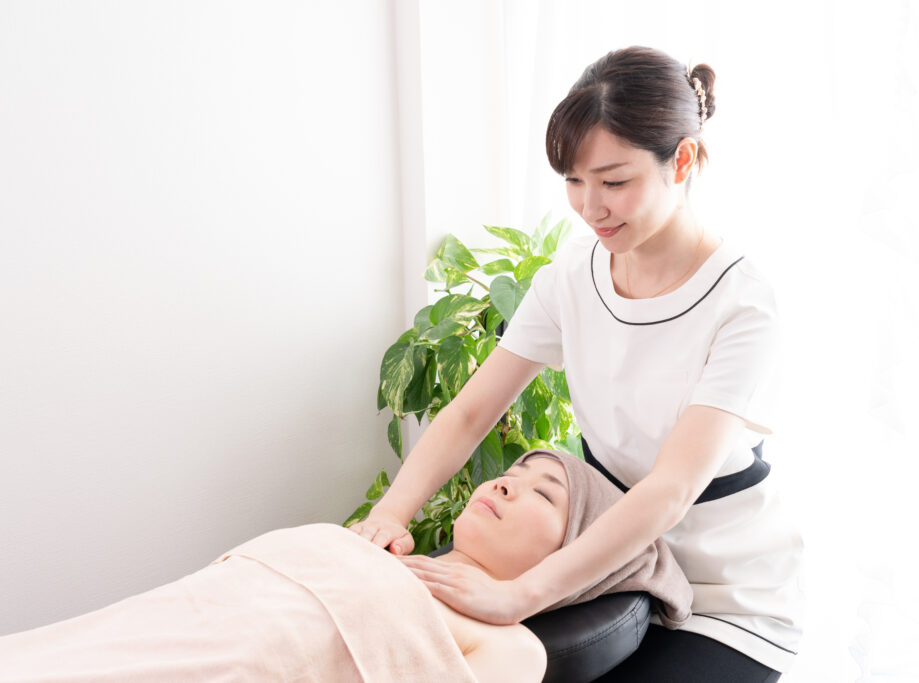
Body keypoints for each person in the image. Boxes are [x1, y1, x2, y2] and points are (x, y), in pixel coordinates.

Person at [351, 45, 804, 681]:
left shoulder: (742, 304)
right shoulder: (573, 274)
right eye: (573, 181)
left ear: (681, 160)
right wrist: (389, 516)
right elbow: (473, 411)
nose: (591, 208)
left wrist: (520, 594)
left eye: (614, 182)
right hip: (605, 576)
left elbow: (671, 489)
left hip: (723, 596)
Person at [0, 450, 691, 683]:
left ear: (576, 554)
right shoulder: (384, 549)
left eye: (544, 493)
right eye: (511, 471)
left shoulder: (513, 644)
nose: (506, 484)